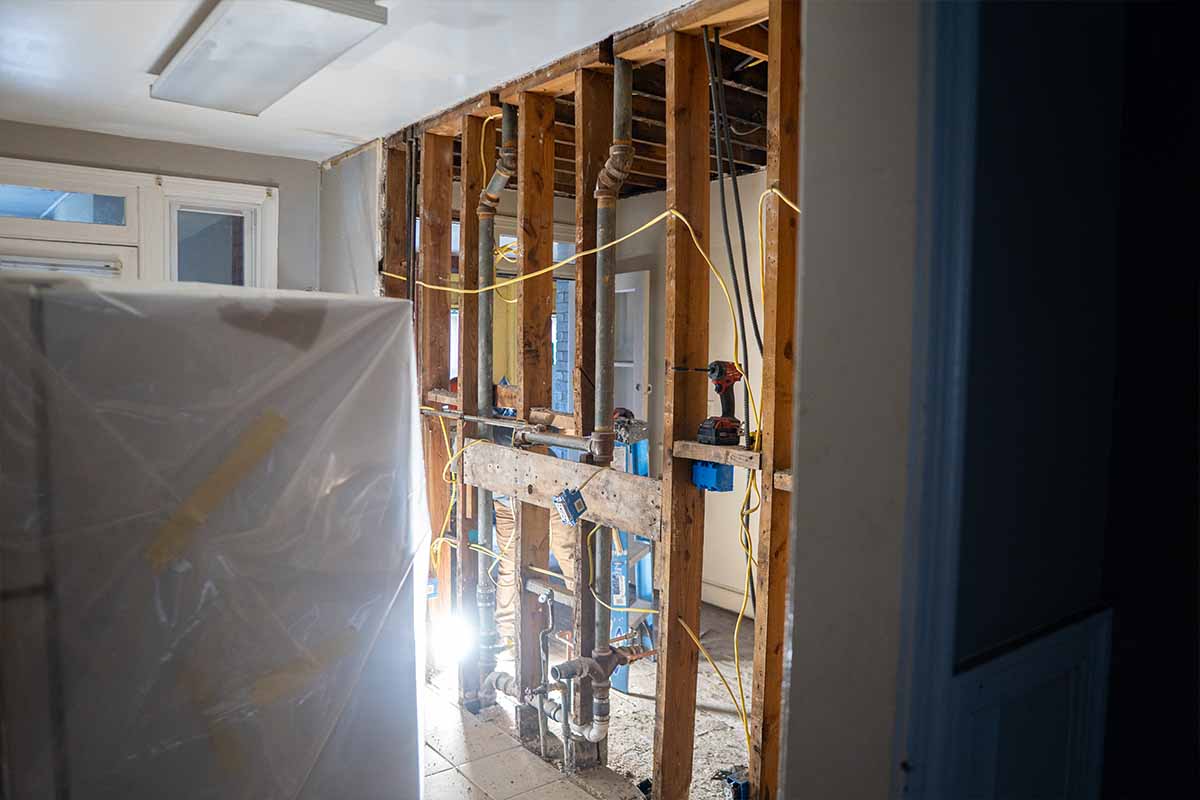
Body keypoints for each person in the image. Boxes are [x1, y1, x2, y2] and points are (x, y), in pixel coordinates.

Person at [492, 496, 578, 645]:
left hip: (554, 495)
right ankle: (507, 639)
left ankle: (589, 634)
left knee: (571, 559)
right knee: (509, 565)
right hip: (508, 499)